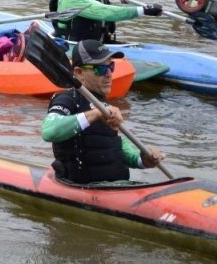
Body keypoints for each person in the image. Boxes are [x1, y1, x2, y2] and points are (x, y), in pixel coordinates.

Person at [41, 40, 164, 184]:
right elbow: (49, 131)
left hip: (116, 186)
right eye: (100, 69)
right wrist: (96, 113)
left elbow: (111, 143)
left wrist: (141, 160)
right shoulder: (67, 99)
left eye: (111, 66)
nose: (109, 74)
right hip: (83, 187)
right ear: (79, 73)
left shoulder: (102, 102)